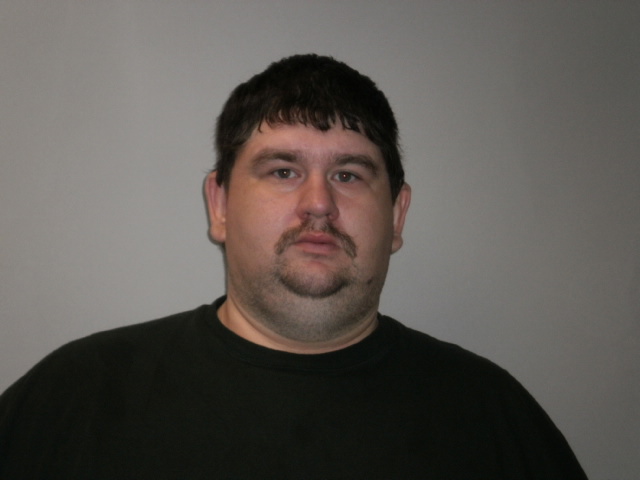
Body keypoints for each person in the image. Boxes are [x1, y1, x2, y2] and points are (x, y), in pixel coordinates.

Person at [0, 54, 587, 479]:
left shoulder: (493, 417)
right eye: (283, 171)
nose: (318, 203)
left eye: (349, 174)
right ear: (220, 204)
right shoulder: (71, 397)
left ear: (397, 215)